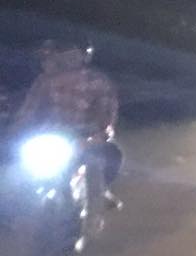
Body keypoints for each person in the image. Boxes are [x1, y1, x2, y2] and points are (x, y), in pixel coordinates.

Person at [14, 41, 122, 202]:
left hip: (85, 138)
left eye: (72, 55)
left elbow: (106, 117)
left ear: (83, 57)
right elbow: (28, 111)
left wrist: (97, 136)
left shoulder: (99, 82)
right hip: (50, 137)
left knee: (112, 154)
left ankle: (101, 191)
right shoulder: (44, 82)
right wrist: (17, 129)